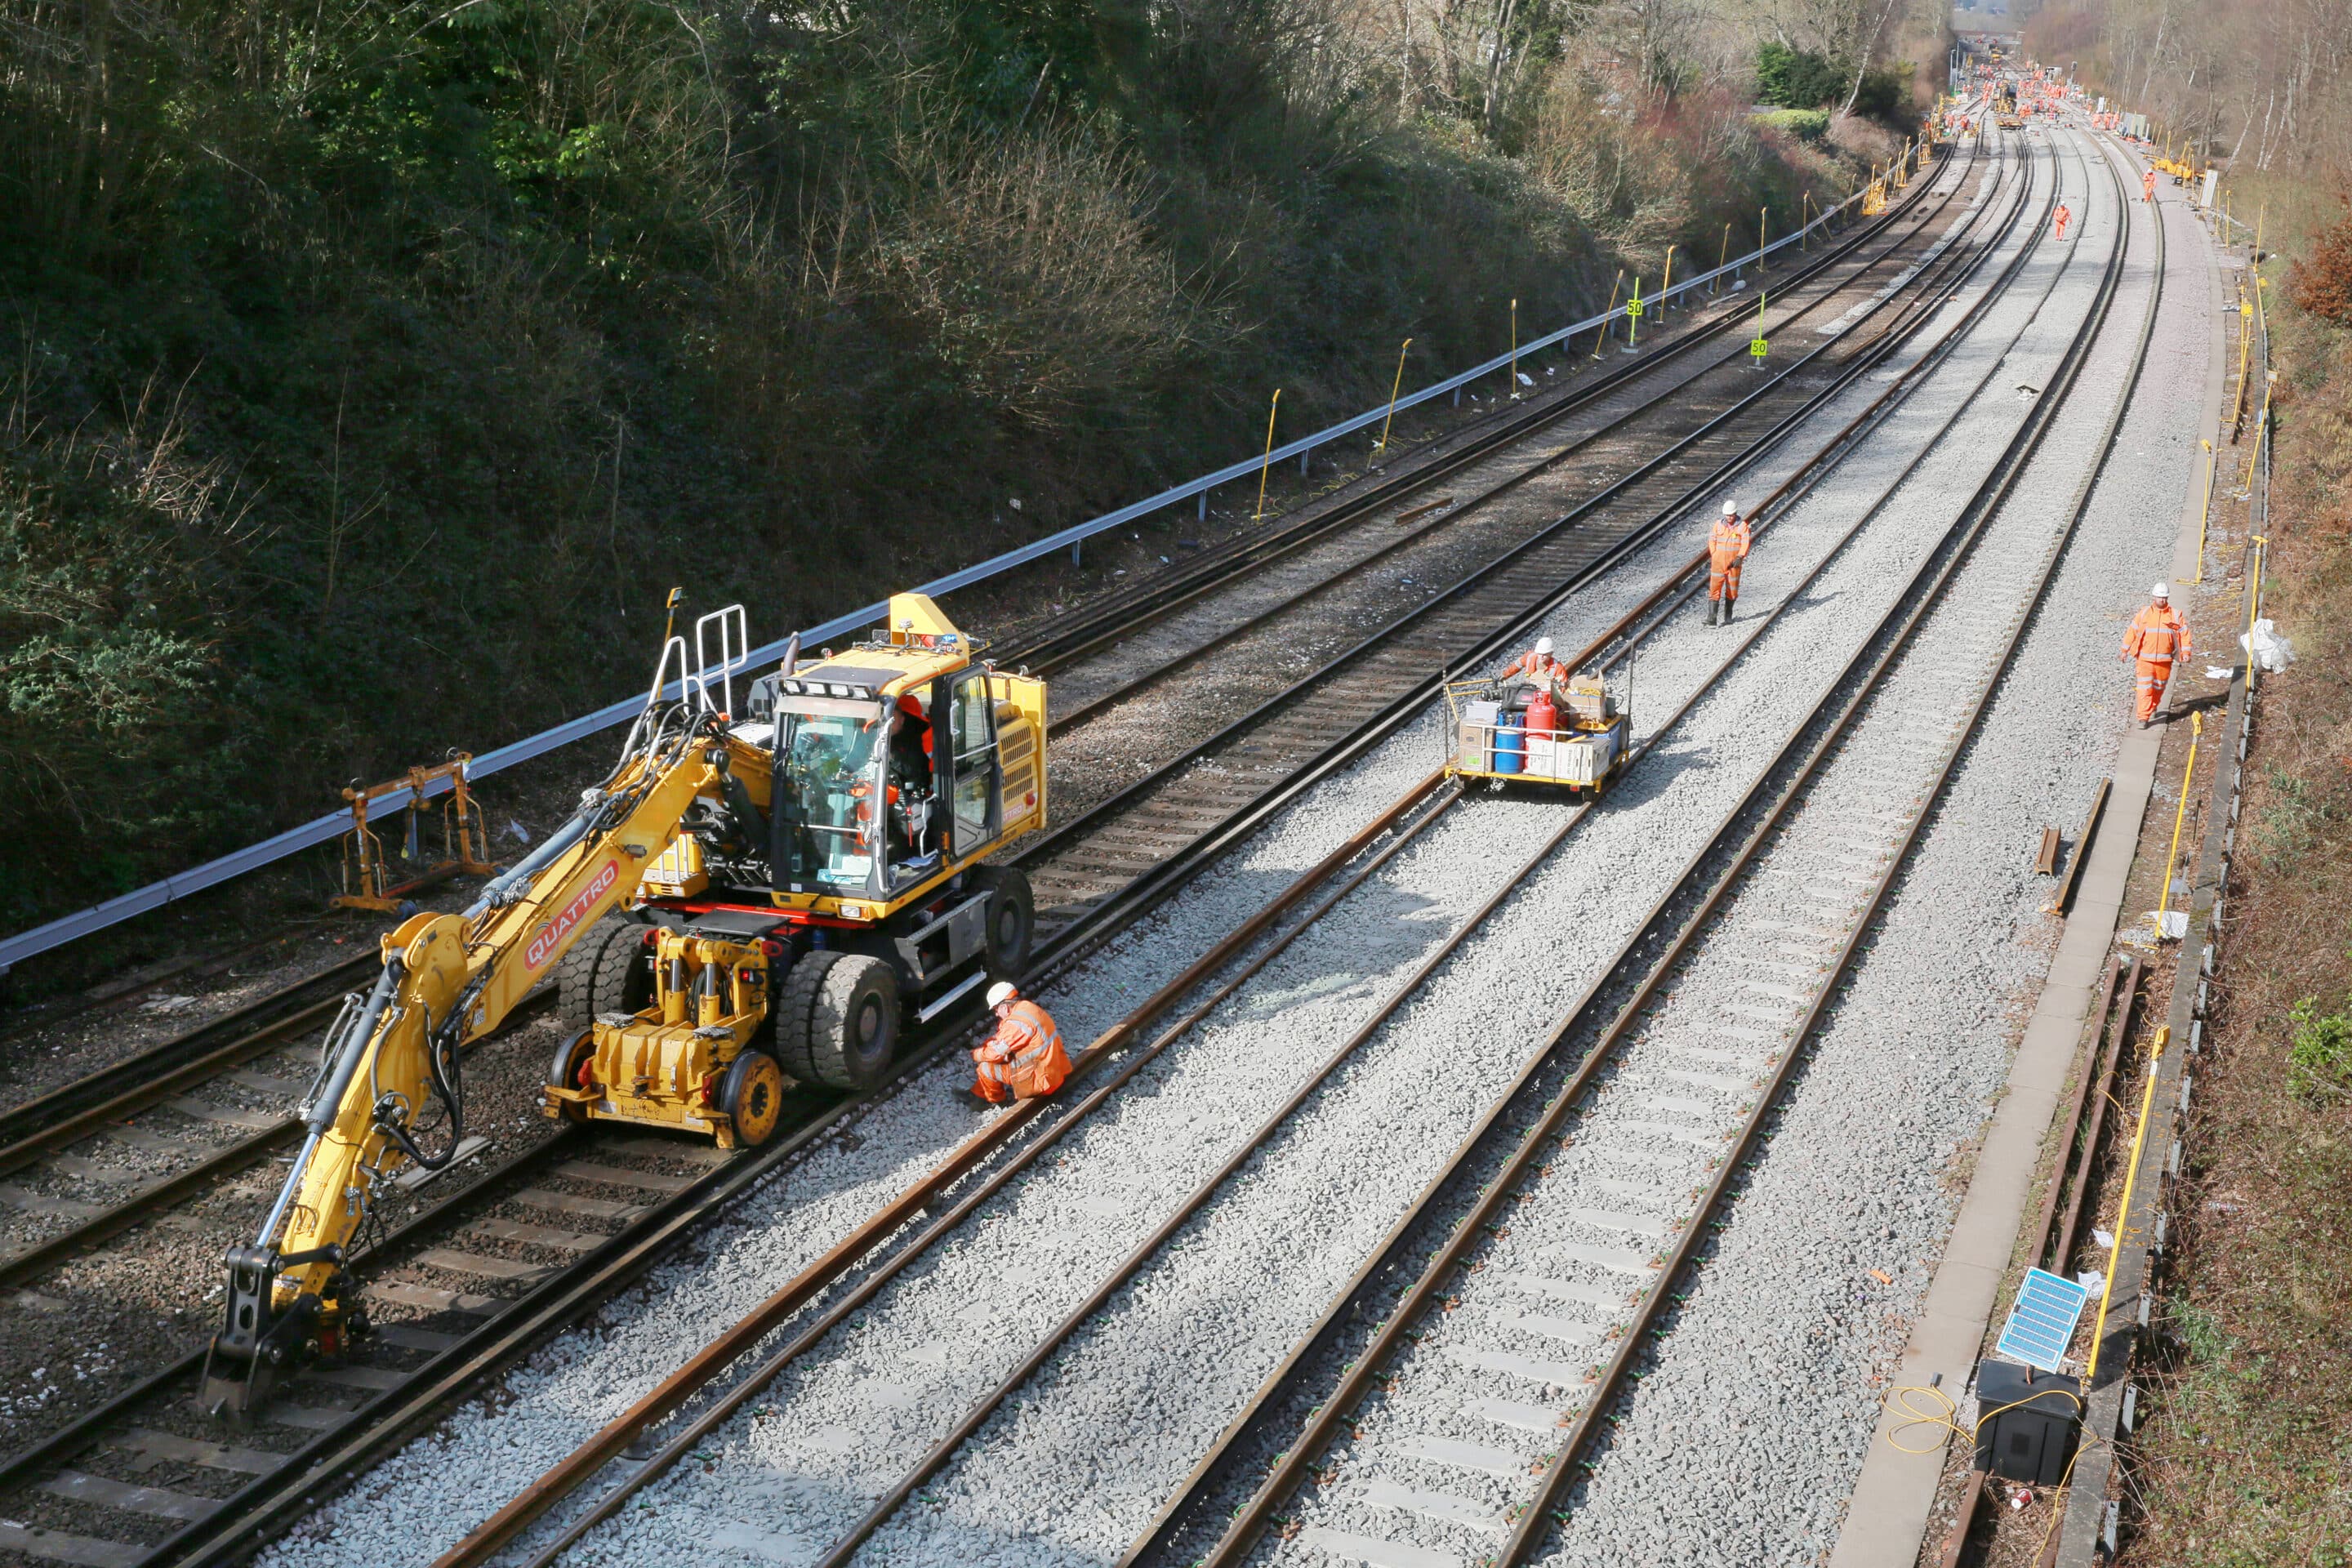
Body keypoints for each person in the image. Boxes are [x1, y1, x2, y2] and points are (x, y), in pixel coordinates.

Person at [967, 982, 1071, 1107]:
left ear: (1004, 1007)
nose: (996, 1014)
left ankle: (996, 1102)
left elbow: (995, 1054)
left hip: (1043, 1082)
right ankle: (977, 1094)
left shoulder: (1016, 1024)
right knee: (1001, 1057)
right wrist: (990, 1045)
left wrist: (976, 1054)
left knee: (985, 1068)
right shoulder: (1027, 1008)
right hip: (1056, 1070)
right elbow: (1006, 1038)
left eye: (996, 1009)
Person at [2120, 582, 2189, 728]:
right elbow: (2132, 631)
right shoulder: (2144, 614)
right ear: (2154, 597)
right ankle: (2143, 718)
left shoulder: (2174, 617)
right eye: (2159, 597)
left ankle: (2152, 706)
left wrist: (2186, 652)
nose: (2162, 600)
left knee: (2158, 689)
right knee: (2144, 689)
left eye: (2164, 597)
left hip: (2164, 661)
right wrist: (2124, 650)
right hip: (2145, 660)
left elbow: (2184, 634)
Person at [1708, 499, 1752, 626]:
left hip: (1733, 564)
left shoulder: (1742, 526)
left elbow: (1745, 543)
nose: (1729, 517)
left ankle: (1728, 616)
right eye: (1727, 515)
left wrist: (1740, 557)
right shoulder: (1718, 525)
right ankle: (1712, 618)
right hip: (1718, 563)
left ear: (1735, 513)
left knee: (1732, 590)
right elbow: (1712, 539)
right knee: (1714, 589)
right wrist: (1714, 553)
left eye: (1731, 515)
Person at [1498, 635, 1570, 695]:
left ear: (1551, 654)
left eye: (1544, 655)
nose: (1541, 657)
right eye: (1539, 653)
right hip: (1528, 692)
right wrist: (1505, 675)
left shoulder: (1558, 668)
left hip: (1546, 697)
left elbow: (1563, 688)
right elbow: (1516, 665)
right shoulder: (1529, 657)